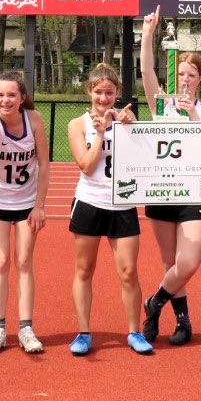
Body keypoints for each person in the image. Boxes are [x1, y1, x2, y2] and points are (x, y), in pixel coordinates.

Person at [139, 6, 201, 346]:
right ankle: (182, 322)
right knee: (170, 260)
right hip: (162, 189)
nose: (185, 80)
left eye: (192, 75)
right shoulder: (161, 104)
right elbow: (146, 68)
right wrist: (149, 33)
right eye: (181, 74)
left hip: (194, 191)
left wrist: (195, 115)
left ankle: (154, 302)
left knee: (190, 261)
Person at [66, 64, 149, 356]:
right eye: (99, 92)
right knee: (84, 269)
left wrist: (132, 126)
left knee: (128, 272)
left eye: (109, 92)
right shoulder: (77, 124)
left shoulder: (127, 121)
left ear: (117, 94)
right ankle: (84, 332)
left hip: (122, 205)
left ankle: (134, 331)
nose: (103, 98)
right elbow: (87, 166)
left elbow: (143, 158)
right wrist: (100, 134)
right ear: (89, 91)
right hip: (89, 202)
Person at [0, 70, 50, 354]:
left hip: (27, 201)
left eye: (11, 95)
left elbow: (44, 164)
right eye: (0, 95)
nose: (5, 100)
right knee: (1, 260)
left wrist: (39, 205)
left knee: (23, 261)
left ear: (22, 98)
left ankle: (25, 328)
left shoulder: (34, 120)